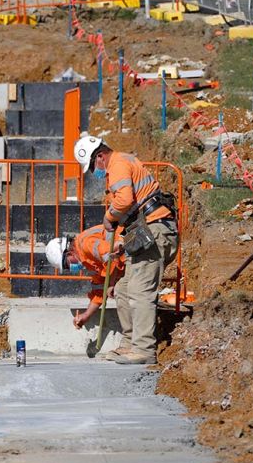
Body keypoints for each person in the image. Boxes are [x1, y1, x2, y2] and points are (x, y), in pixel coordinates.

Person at [73, 134, 179, 366]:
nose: (94, 172)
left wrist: (109, 216)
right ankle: (130, 343)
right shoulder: (119, 165)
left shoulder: (118, 164)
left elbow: (123, 200)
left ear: (99, 156)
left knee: (140, 291)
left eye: (92, 167)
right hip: (144, 231)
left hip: (156, 229)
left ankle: (144, 349)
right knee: (122, 288)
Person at [45, 226, 132, 361]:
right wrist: (86, 316)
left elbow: (112, 255)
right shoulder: (87, 261)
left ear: (68, 252)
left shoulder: (86, 245)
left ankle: (131, 343)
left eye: (67, 264)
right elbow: (99, 291)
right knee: (121, 288)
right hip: (127, 260)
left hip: (132, 251)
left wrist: (111, 284)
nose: (71, 268)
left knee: (121, 290)